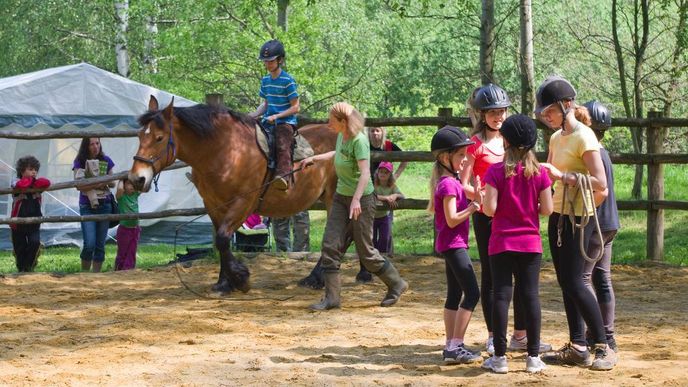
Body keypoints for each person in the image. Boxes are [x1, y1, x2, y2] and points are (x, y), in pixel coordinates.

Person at [460, 84, 550, 355]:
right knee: (492, 276)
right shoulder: (474, 145)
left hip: (515, 215)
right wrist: (479, 193)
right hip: (488, 215)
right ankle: (492, 335)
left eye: (502, 111)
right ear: (481, 115)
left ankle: (520, 334)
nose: (498, 117)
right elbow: (462, 183)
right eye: (493, 113)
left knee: (523, 279)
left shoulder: (511, 138)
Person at [537, 76, 617, 370]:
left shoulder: (585, 136)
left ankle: (604, 345)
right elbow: (550, 175)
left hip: (580, 216)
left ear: (566, 105)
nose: (546, 117)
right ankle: (578, 346)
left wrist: (561, 177)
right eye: (544, 114)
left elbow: (599, 182)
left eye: (549, 112)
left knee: (575, 281)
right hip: (559, 215)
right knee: (565, 282)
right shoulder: (556, 138)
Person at [300, 102, 408, 311]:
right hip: (342, 197)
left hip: (363, 200)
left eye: (332, 119)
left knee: (366, 253)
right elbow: (337, 154)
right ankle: (332, 298)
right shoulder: (342, 136)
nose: (328, 122)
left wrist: (357, 199)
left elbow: (366, 173)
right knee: (330, 245)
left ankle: (396, 283)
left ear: (343, 121)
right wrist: (314, 158)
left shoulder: (359, 140)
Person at [480, 115, 553, 373]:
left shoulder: (495, 171)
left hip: (501, 242)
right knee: (530, 296)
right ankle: (533, 357)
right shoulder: (541, 173)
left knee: (501, 295)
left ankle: (499, 357)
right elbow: (547, 209)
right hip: (530, 244)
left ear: (505, 141)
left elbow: (489, 209)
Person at [428, 125, 482, 365]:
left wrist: (476, 196)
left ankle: (450, 345)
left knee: (454, 295)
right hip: (454, 244)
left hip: (451, 244)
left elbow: (467, 194)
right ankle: (456, 345)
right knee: (472, 293)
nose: (464, 160)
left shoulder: (451, 181)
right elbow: (451, 219)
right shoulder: (449, 184)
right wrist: (471, 209)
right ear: (445, 157)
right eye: (460, 155)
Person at [582, 100, 620, 353]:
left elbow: (598, 190)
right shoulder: (603, 153)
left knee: (582, 279)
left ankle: (596, 335)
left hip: (595, 224)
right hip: (609, 223)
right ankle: (607, 333)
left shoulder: (591, 154)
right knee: (602, 279)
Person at [355, 126, 408, 281]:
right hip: (367, 188)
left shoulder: (389, 146)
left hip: (384, 187)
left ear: (383, 132)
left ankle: (383, 261)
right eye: (372, 130)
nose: (375, 133)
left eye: (378, 130)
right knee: (368, 230)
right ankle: (368, 264)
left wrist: (395, 176)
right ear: (368, 132)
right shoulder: (364, 144)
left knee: (385, 230)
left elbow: (405, 157)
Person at [249, 39, 300, 191]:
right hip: (268, 120)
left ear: (280, 60)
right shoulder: (265, 80)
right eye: (265, 61)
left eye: (271, 61)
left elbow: (296, 107)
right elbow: (266, 104)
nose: (267, 64)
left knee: (282, 142)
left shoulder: (288, 80)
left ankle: (283, 176)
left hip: (285, 122)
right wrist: (253, 115)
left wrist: (277, 117)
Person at [73, 137, 115, 273]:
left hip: (105, 204)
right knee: (89, 243)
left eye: (97, 143)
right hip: (87, 206)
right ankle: (85, 274)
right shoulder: (79, 161)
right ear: (86, 146)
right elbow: (78, 185)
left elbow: (113, 182)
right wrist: (98, 183)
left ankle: (96, 276)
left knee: (100, 244)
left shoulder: (106, 160)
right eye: (91, 144)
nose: (95, 146)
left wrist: (100, 181)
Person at [10, 155, 51, 272]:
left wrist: (34, 182)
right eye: (30, 169)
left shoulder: (37, 184)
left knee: (34, 243)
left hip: (34, 222)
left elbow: (47, 182)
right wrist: (30, 181)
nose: (34, 172)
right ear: (22, 170)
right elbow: (21, 185)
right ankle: (21, 268)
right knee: (20, 247)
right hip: (17, 223)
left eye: (35, 170)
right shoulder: (15, 182)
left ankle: (29, 267)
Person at [372, 161, 404, 253]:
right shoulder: (373, 184)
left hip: (384, 216)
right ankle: (373, 255)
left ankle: (382, 255)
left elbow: (402, 195)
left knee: (385, 237)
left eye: (386, 172)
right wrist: (386, 198)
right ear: (377, 172)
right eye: (381, 171)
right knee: (372, 238)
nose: (383, 174)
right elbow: (372, 196)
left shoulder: (392, 186)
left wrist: (395, 196)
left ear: (390, 175)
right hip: (372, 217)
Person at [114, 179, 141, 271]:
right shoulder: (121, 197)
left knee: (132, 251)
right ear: (124, 186)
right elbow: (120, 189)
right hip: (124, 229)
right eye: (129, 184)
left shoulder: (135, 195)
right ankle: (119, 269)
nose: (132, 186)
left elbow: (142, 184)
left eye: (133, 184)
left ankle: (129, 269)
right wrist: (121, 178)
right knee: (123, 251)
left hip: (135, 229)